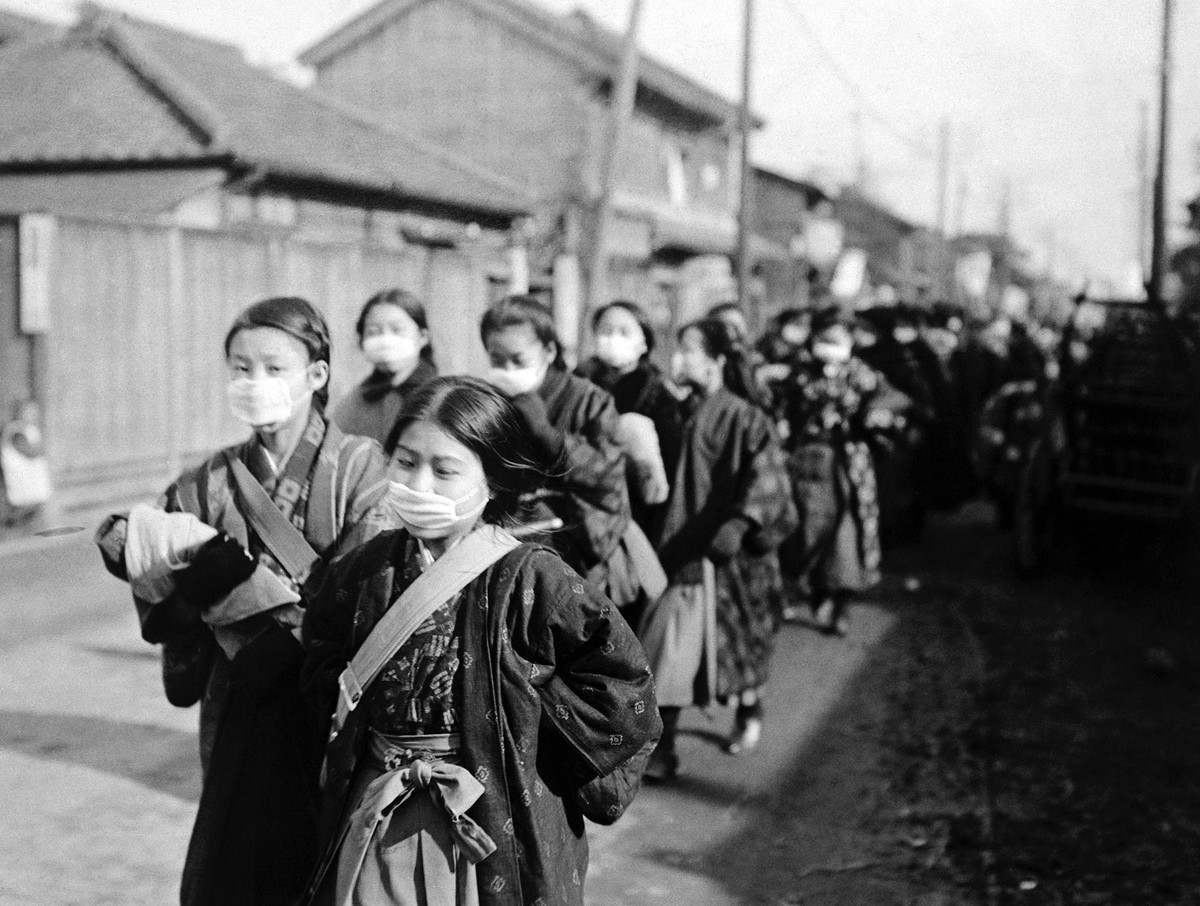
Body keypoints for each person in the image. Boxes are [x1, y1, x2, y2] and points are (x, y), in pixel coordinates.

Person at [301, 376, 660, 906]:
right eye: (405, 462)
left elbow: (623, 688)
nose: (419, 484)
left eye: (444, 470)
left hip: (494, 814)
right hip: (378, 807)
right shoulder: (361, 570)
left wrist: (528, 725)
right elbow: (320, 660)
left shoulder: (536, 580)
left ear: (493, 479)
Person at [95, 296, 392, 906]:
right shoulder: (207, 480)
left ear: (317, 374)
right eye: (240, 368)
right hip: (237, 694)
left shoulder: (362, 466)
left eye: (274, 368)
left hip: (329, 693)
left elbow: (370, 585)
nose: (255, 382)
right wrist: (135, 544)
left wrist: (245, 593)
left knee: (331, 854)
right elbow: (161, 577)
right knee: (237, 862)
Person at [640, 318, 797, 780]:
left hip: (728, 557)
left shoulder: (745, 417)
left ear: (717, 360)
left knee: (736, 647)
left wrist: (740, 523)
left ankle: (749, 711)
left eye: (688, 350)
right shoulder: (673, 408)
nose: (678, 359)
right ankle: (663, 748)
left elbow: (770, 478)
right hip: (677, 545)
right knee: (668, 651)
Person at [479, 295, 640, 607]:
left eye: (518, 360)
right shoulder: (489, 401)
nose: (508, 370)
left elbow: (610, 477)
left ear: (549, 351)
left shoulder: (589, 400)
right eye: (497, 361)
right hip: (505, 546)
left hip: (573, 551)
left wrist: (550, 438)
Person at [782, 307, 898, 635]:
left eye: (835, 340)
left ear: (850, 341)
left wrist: (875, 415)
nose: (828, 347)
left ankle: (842, 602)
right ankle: (818, 591)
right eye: (823, 339)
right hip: (806, 460)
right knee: (807, 529)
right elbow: (785, 411)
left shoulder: (862, 375)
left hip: (848, 462)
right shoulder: (799, 374)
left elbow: (895, 400)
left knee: (846, 531)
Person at [575, 300, 683, 537]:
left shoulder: (658, 393)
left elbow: (670, 465)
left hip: (636, 513)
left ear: (644, 342)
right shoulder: (579, 383)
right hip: (580, 505)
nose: (614, 338)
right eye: (606, 331)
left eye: (624, 332)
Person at [330, 289, 438, 451]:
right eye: (374, 332)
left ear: (423, 337)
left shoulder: (438, 397)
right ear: (362, 341)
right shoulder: (354, 401)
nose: (385, 340)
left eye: (397, 330)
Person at [0, 399, 52, 531]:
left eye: (35, 413)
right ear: (19, 413)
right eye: (29, 412)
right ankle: (11, 524)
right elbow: (26, 449)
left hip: (31, 473)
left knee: (34, 502)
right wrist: (41, 451)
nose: (33, 416)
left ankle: (25, 526)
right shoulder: (15, 430)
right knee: (23, 502)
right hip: (21, 473)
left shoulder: (30, 428)